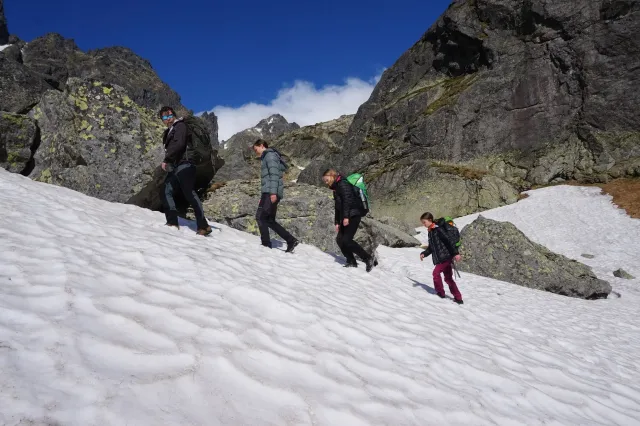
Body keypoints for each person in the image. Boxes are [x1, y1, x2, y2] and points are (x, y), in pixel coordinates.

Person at [158, 106, 212, 236]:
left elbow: (179, 144)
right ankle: (172, 223)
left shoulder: (180, 126)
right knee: (166, 191)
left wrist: (167, 160)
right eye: (164, 117)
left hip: (186, 164)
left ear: (174, 115)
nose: (167, 118)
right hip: (177, 166)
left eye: (169, 115)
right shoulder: (170, 131)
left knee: (189, 192)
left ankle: (203, 226)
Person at [322, 169, 376, 272]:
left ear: (332, 175)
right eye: (324, 180)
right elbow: (338, 206)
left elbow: (348, 201)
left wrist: (346, 217)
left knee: (346, 240)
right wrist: (337, 222)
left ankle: (368, 258)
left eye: (326, 179)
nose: (325, 182)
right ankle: (351, 261)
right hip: (347, 216)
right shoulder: (336, 187)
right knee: (340, 239)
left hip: (353, 215)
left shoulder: (343, 184)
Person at [252, 139, 299, 252]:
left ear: (261, 145)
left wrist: (273, 193)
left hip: (270, 192)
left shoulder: (269, 156)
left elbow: (274, 175)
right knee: (269, 220)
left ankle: (266, 245)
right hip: (268, 192)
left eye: (256, 149)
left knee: (261, 217)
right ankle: (291, 240)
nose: (255, 152)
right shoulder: (268, 156)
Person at [419, 212, 463, 304]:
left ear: (430, 220)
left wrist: (456, 253)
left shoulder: (438, 229)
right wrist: (424, 253)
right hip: (442, 257)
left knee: (435, 273)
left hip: (445, 257)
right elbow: (431, 247)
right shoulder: (431, 232)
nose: (423, 224)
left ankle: (440, 292)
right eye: (422, 223)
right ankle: (458, 298)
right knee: (448, 278)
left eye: (424, 222)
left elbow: (448, 241)